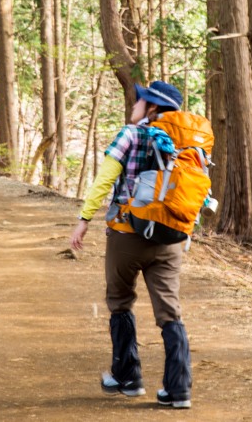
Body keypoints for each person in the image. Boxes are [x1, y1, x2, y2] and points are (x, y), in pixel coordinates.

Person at [69, 80, 193, 409]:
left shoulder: (131, 134)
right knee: (170, 311)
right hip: (170, 238)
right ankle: (178, 389)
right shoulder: (188, 142)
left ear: (151, 108)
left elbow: (106, 178)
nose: (134, 103)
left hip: (127, 235)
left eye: (140, 100)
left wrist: (84, 219)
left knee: (120, 301)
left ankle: (128, 377)